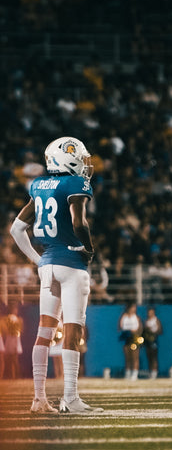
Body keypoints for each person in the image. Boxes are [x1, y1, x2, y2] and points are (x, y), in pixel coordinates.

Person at [10, 136, 102, 413]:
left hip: (48, 264)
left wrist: (39, 261)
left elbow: (16, 230)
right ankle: (70, 398)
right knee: (73, 330)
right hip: (71, 264)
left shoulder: (39, 185)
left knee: (44, 332)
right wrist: (89, 248)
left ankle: (39, 399)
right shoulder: (75, 183)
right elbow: (79, 222)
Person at [118, 302, 143, 380]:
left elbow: (140, 328)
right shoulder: (124, 316)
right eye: (133, 307)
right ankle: (128, 373)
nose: (134, 309)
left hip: (134, 338)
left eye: (135, 308)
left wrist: (135, 333)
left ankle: (134, 374)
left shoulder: (137, 317)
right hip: (126, 338)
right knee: (127, 356)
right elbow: (120, 327)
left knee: (135, 356)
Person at [1, 303, 23, 380]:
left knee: (14, 359)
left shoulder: (18, 319)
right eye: (14, 309)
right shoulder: (8, 318)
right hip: (11, 339)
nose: (15, 310)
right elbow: (6, 330)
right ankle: (11, 375)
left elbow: (20, 330)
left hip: (15, 339)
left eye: (16, 309)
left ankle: (16, 376)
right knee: (9, 360)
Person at [142, 306, 163, 379]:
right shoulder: (146, 321)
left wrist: (153, 332)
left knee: (154, 357)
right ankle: (150, 371)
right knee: (149, 356)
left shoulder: (156, 320)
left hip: (154, 340)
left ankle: (154, 372)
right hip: (147, 340)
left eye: (151, 312)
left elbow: (160, 330)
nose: (150, 314)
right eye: (149, 312)